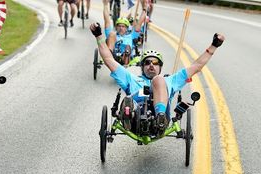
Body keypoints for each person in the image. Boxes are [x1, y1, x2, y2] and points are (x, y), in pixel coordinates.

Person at [90, 22, 225, 135]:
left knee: (158, 81)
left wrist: (214, 45)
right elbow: (108, 59)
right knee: (130, 100)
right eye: (147, 63)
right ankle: (128, 113)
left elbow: (197, 66)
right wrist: (98, 35)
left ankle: (160, 118)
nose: (151, 66)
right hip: (134, 120)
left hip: (159, 123)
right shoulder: (130, 78)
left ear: (160, 67)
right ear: (142, 67)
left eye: (155, 63)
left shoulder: (170, 80)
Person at [102, 0, 146, 65]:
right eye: (119, 26)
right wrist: (105, 5)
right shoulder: (112, 35)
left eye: (123, 26)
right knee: (111, 34)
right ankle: (111, 55)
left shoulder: (131, 35)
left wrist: (144, 8)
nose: (121, 28)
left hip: (126, 56)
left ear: (127, 28)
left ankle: (123, 59)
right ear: (116, 27)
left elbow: (139, 22)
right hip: (113, 55)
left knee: (127, 48)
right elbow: (107, 20)